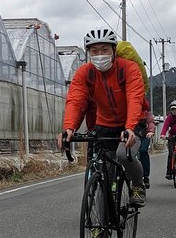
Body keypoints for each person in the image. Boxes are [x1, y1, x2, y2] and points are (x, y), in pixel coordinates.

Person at [57, 28, 147, 207]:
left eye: (105, 50)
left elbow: (134, 98)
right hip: (104, 124)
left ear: (114, 51)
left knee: (123, 154)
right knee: (102, 170)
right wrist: (69, 128)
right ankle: (100, 225)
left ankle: (138, 185)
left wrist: (129, 127)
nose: (100, 55)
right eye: (94, 51)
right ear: (88, 53)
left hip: (133, 122)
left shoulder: (128, 68)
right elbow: (76, 100)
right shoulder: (85, 72)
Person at [138, 104, 155, 189]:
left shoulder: (145, 111)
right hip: (132, 135)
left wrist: (151, 131)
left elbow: (151, 122)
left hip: (144, 135)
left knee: (143, 151)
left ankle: (145, 176)